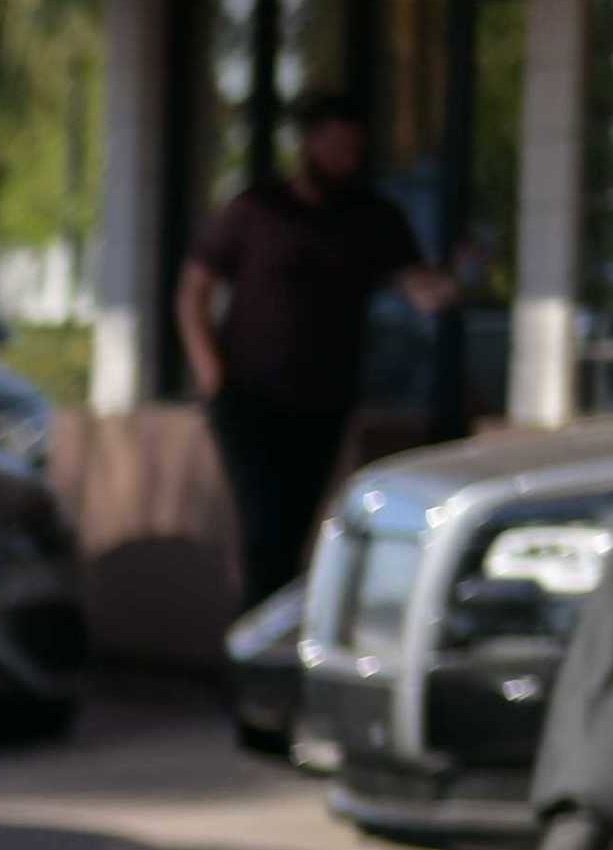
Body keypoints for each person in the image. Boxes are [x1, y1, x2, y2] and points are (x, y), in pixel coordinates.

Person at [176, 93, 464, 608]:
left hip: (324, 400)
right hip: (249, 397)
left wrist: (460, 277)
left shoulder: (371, 218)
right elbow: (194, 288)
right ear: (310, 144)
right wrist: (212, 376)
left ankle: (271, 645)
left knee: (296, 525)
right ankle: (255, 649)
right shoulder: (257, 210)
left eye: (355, 148)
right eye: (336, 145)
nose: (345, 158)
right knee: (264, 527)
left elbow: (421, 289)